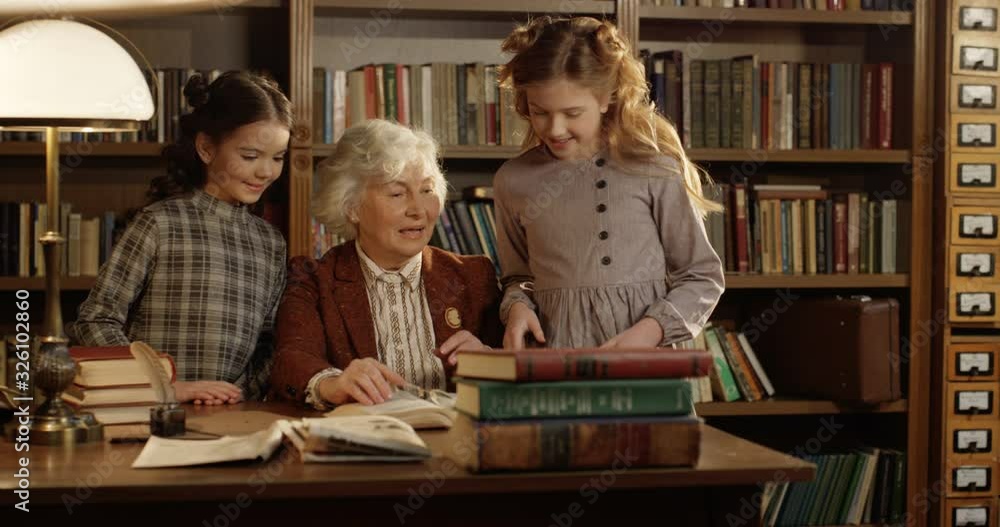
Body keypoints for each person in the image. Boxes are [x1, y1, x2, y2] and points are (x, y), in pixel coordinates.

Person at [494, 16, 725, 350]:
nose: (555, 128)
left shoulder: (655, 170)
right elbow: (518, 277)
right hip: (557, 366)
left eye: (572, 113)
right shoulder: (512, 181)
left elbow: (701, 276)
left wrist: (650, 331)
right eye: (540, 111)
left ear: (606, 98)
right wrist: (517, 306)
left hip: (646, 367)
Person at [71, 71, 292, 404]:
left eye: (277, 158)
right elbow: (95, 319)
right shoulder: (158, 224)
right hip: (150, 413)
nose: (266, 172)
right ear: (205, 147)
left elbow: (268, 344)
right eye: (250, 156)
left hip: (232, 418)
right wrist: (162, 385)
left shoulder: (271, 243)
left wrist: (238, 394)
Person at [268, 119, 501, 409]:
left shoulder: (473, 275)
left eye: (427, 191)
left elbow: (523, 364)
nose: (418, 210)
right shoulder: (314, 279)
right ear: (351, 206)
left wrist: (494, 362)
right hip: (364, 443)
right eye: (397, 193)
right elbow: (291, 358)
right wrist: (332, 384)